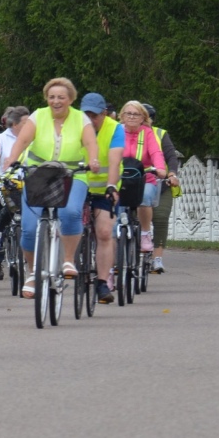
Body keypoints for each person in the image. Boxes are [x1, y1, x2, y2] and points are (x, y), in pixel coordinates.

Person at [3, 78, 100, 299]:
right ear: (47, 98)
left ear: (70, 100)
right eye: (52, 97)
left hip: (72, 173)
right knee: (28, 228)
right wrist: (12, 158)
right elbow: (23, 141)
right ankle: (31, 272)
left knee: (71, 212)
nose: (56, 101)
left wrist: (93, 160)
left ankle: (68, 259)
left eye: (61, 97)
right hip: (40, 173)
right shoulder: (38, 116)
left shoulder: (80, 118)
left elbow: (90, 144)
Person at [77, 93, 124, 304]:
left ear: (104, 114)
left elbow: (114, 162)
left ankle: (103, 282)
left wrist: (111, 186)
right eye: (85, 114)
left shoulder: (115, 129)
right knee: (69, 224)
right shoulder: (74, 127)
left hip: (105, 187)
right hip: (79, 186)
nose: (89, 120)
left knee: (104, 232)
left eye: (94, 115)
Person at [118, 100, 167, 261]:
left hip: (144, 178)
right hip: (120, 178)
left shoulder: (147, 133)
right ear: (122, 116)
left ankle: (145, 233)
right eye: (128, 113)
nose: (131, 117)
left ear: (143, 118)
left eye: (136, 114)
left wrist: (160, 168)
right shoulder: (117, 131)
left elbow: (156, 153)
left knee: (145, 198)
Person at [0, 104, 29, 279]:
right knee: (10, 204)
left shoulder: (33, 140)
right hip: (6, 184)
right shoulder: (1, 140)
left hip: (27, 184)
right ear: (15, 124)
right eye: (25, 123)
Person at [142, 103, 181, 273]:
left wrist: (171, 174)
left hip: (159, 185)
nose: (143, 121)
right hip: (132, 183)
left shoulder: (160, 134)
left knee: (160, 218)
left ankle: (157, 258)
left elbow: (171, 156)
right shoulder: (123, 132)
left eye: (146, 118)